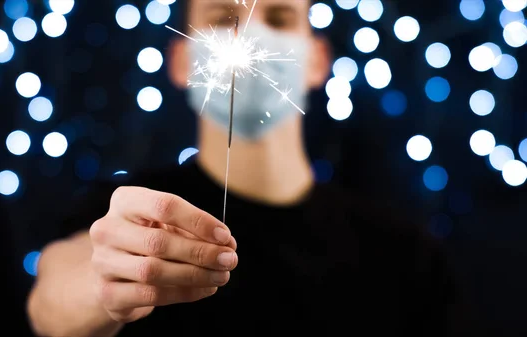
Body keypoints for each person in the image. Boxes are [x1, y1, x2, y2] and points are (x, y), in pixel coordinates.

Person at [27, 0, 479, 336]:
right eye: (224, 19)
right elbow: (50, 301)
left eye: (279, 18)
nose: (250, 39)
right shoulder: (133, 211)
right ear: (183, 60)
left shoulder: (404, 254)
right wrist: (101, 282)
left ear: (318, 59)